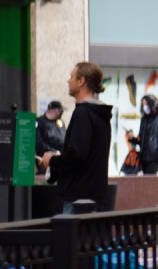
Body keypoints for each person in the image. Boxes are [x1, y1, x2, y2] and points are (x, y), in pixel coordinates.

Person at [39, 61, 115, 211]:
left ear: (81, 81)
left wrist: (52, 160)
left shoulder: (83, 113)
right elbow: (86, 154)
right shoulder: (101, 115)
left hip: (78, 200)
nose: (68, 81)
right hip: (95, 198)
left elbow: (77, 155)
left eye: (72, 77)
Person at [136, 95, 158, 174]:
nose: (145, 107)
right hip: (144, 159)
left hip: (155, 159)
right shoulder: (144, 119)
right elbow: (141, 139)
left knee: (151, 179)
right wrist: (133, 139)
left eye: (146, 104)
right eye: (143, 104)